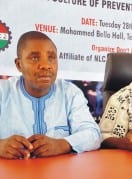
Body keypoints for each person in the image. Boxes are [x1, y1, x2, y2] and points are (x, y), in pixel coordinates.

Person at [0, 31, 102, 159]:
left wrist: (63, 144)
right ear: (19, 65)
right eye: (35, 58)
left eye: (51, 58)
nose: (46, 65)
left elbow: (93, 134)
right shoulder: (3, 91)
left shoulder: (70, 93)